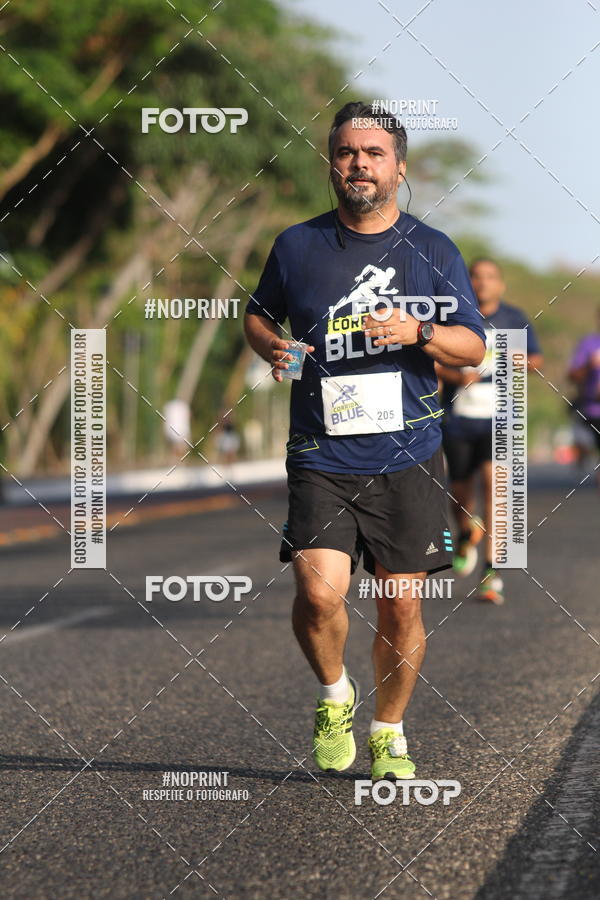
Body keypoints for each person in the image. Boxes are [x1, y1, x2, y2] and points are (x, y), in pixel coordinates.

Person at [244, 102, 485, 781]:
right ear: (332, 163)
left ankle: (389, 730)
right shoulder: (297, 245)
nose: (358, 163)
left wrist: (419, 333)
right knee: (320, 593)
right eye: (347, 152)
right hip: (321, 451)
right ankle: (333, 695)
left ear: (399, 169)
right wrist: (273, 345)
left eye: (373, 153)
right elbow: (258, 315)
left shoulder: (432, 250)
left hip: (407, 453)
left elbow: (472, 346)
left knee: (401, 601)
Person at [436, 259, 542, 604]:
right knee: (460, 495)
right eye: (476, 277)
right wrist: (455, 376)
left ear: (501, 285)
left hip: (500, 418)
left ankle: (491, 573)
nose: (482, 283)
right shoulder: (454, 315)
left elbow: (535, 359)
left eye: (490, 277)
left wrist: (520, 362)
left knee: (496, 490)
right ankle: (467, 531)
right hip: (459, 419)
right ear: (466, 281)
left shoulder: (514, 318)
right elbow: (434, 360)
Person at [568, 308, 600, 484]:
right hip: (595, 412)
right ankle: (581, 449)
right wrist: (589, 365)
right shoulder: (589, 344)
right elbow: (572, 376)